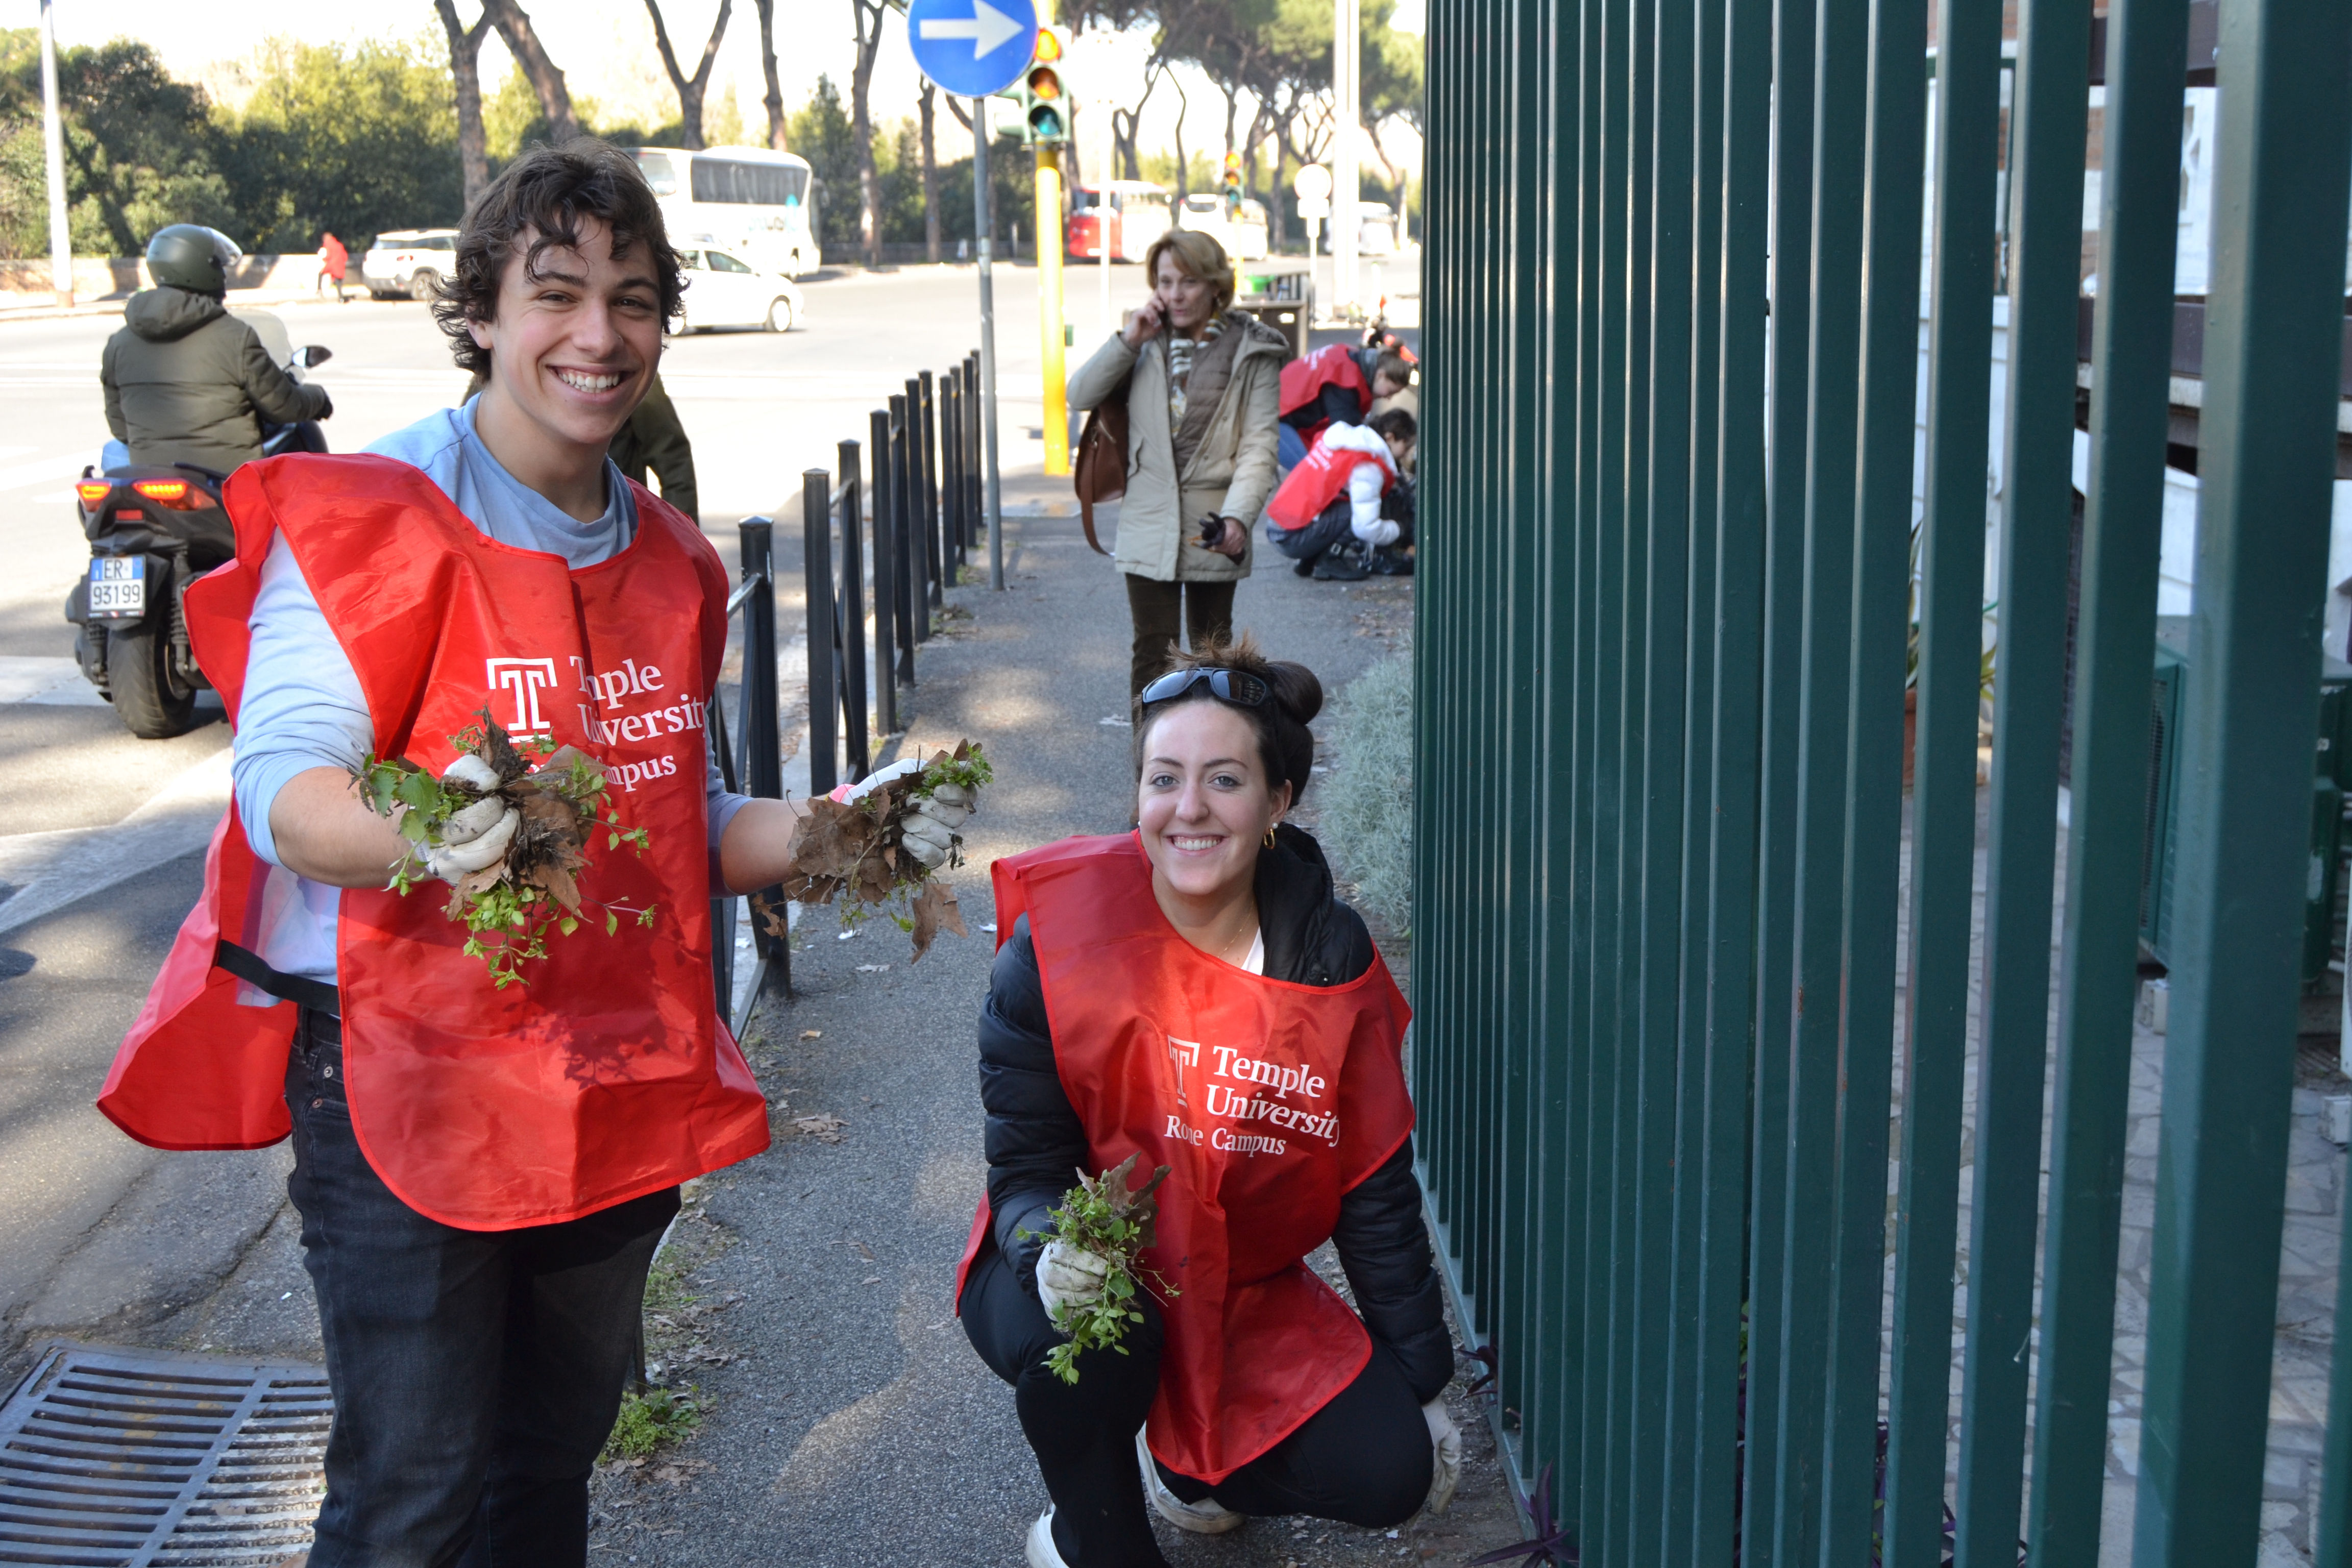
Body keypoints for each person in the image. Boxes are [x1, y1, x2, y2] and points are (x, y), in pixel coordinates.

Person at [95, 141, 974, 1568]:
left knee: (546, 1473)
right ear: (484, 314)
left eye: (633, 300)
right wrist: (439, 832)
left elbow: (677, 820)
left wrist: (844, 838)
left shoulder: (676, 562)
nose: (597, 333)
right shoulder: (375, 513)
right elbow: (286, 797)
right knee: (414, 1495)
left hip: (607, 1064)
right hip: (403, 1067)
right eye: (555, 291)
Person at [959, 636, 1458, 1568]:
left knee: (1391, 1470)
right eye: (1163, 778)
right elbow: (1023, 1170)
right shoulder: (1050, 949)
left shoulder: (1327, 957)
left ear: (1278, 802)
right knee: (1103, 1339)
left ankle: (1193, 1472)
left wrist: (1422, 1384)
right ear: (1137, 795)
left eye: (1224, 780)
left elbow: (1373, 1185)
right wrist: (1042, 1248)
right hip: (1083, 1275)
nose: (1188, 808)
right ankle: (1089, 1536)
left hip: (1235, 1284)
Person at [1068, 230, 1287, 701]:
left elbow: (1259, 446)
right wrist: (1128, 341)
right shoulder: (1144, 341)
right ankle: (1151, 771)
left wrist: (1237, 519)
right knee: (1152, 656)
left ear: (1214, 284)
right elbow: (1079, 395)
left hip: (1213, 524)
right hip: (1148, 516)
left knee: (1215, 658)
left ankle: (1220, 767)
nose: (1175, 295)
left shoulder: (1253, 348)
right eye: (1165, 282)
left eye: (1187, 281)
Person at [102, 225, 334, 477]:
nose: (223, 274)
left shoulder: (119, 343)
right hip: (226, 482)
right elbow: (283, 406)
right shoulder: (235, 337)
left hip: (151, 477)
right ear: (203, 268)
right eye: (219, 266)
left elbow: (120, 425)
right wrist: (318, 398)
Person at [1262, 409, 1416, 581]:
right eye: (1406, 445)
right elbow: (1365, 528)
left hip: (1280, 525)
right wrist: (1398, 529)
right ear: (1390, 437)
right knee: (1357, 511)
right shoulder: (1368, 466)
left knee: (1349, 503)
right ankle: (1329, 560)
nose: (1405, 453)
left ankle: (1311, 559)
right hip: (1291, 538)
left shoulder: (1346, 442)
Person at [315, 232, 349, 304]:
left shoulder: (328, 244)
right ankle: (341, 298)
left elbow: (328, 256)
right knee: (338, 282)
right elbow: (345, 256)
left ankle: (319, 290)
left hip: (332, 264)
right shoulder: (339, 245)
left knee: (321, 274)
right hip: (340, 265)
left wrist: (324, 259)